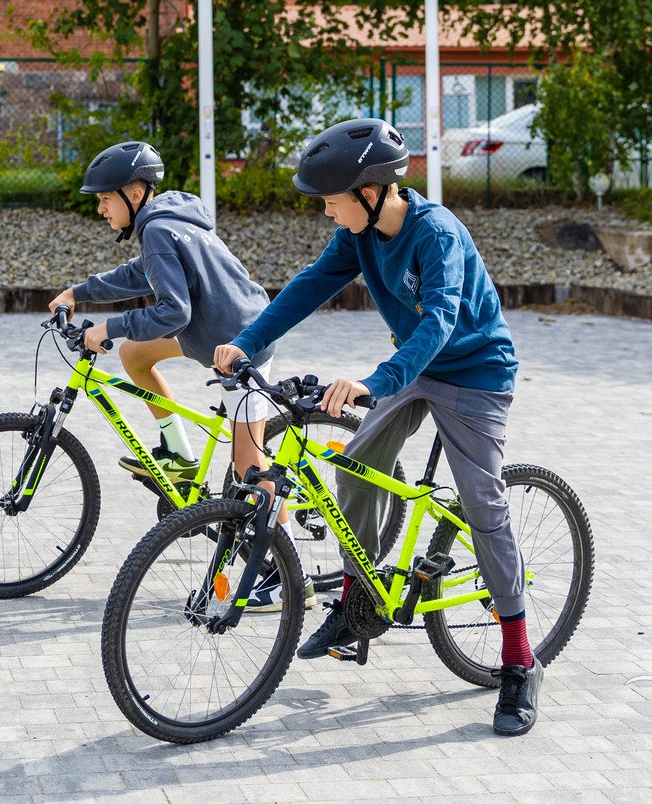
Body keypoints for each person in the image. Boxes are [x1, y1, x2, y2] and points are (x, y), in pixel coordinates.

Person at [215, 118, 544, 737]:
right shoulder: (359, 234)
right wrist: (248, 341)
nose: (327, 211)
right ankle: (358, 602)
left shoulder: (436, 233)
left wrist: (375, 381)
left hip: (476, 374)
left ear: (369, 193)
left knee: (483, 502)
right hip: (415, 368)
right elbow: (310, 286)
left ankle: (519, 659)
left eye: (331, 200)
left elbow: (440, 320)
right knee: (357, 468)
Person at [49, 142, 311, 603]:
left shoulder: (156, 229)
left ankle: (290, 577)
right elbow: (140, 274)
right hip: (215, 329)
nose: (100, 209)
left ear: (133, 194)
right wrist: (78, 292)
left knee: (250, 466)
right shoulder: (166, 221)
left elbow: (173, 311)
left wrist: (107, 327)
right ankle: (180, 455)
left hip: (241, 342)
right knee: (135, 355)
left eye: (105, 199)